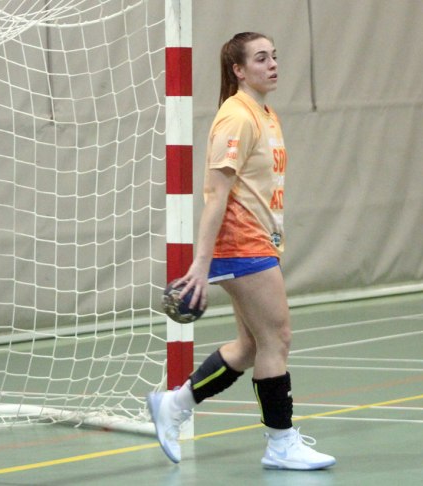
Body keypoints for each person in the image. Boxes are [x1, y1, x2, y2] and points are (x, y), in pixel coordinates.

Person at [148, 32, 335, 471]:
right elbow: (216, 193)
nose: (272, 65)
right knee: (277, 339)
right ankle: (281, 442)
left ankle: (174, 405)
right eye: (261, 58)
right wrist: (199, 264)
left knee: (251, 345)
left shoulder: (264, 114)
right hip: (242, 243)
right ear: (238, 69)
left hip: (259, 241)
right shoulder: (236, 117)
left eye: (275, 56)